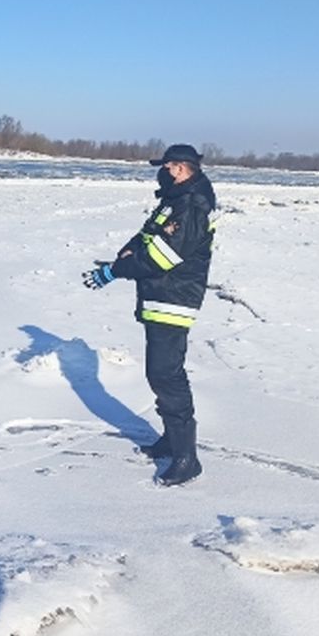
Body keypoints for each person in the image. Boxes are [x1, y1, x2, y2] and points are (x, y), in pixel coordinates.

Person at [81, 143, 216, 486]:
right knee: (159, 373)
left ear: (182, 169)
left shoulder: (192, 207)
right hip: (159, 296)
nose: (162, 172)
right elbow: (147, 237)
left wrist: (115, 272)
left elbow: (162, 257)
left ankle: (187, 457)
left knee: (166, 375)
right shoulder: (173, 201)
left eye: (167, 167)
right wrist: (126, 253)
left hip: (174, 298)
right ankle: (171, 440)